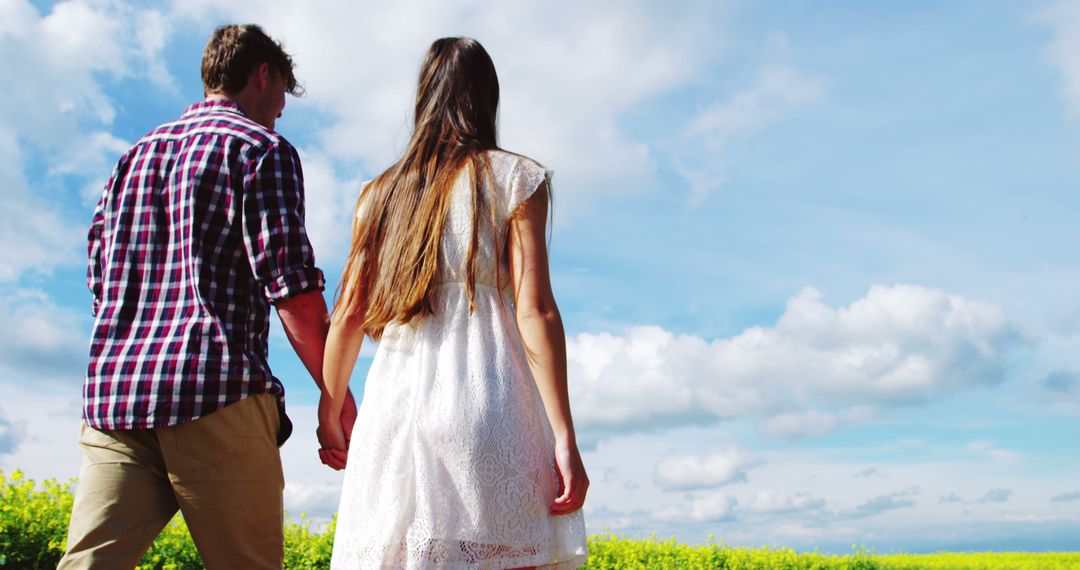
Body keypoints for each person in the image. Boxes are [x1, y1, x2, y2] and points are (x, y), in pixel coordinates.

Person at [59, 24, 356, 569]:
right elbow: (291, 289)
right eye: (282, 95)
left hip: (116, 396)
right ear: (262, 74)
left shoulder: (132, 159)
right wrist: (337, 397)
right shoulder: (260, 149)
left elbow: (99, 276)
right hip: (213, 392)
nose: (280, 111)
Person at [317, 37, 589, 569]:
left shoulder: (380, 194)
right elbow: (536, 311)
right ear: (488, 98)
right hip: (488, 401)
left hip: (392, 412)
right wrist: (564, 437)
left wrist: (331, 414)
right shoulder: (516, 177)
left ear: (424, 98)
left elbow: (348, 314)